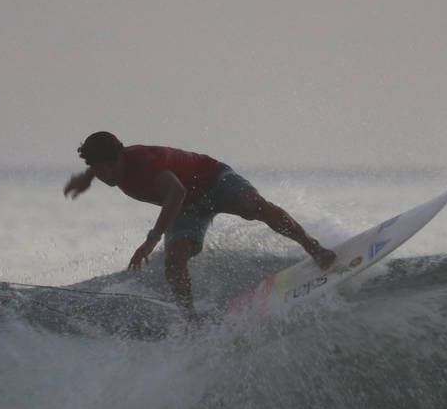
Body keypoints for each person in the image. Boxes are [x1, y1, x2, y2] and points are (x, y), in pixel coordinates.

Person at [63, 131, 336, 319]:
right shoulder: (104, 167)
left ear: (120, 156)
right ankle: (190, 319)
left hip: (213, 180)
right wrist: (87, 178)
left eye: (110, 167)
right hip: (188, 207)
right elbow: (100, 165)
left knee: (254, 205)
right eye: (99, 170)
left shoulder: (146, 165)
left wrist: (152, 238)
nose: (107, 175)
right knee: (174, 260)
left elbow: (176, 193)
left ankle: (315, 248)